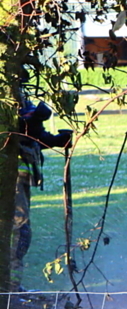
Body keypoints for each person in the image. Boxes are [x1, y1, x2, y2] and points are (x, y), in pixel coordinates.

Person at [11, 100, 72, 289]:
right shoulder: (8, 100)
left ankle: (11, 287)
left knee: (20, 232)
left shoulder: (15, 94)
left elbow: (30, 134)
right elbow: (22, 131)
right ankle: (10, 289)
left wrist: (54, 140)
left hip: (19, 180)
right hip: (10, 181)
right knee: (18, 233)